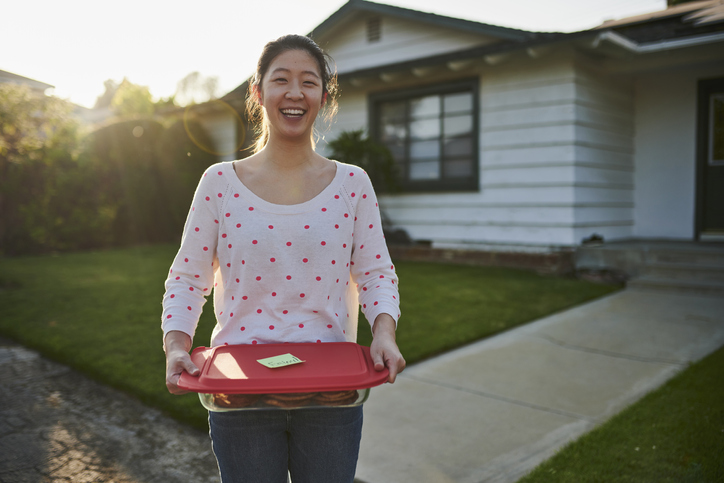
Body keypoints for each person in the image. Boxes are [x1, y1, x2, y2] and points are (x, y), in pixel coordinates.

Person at [161, 34, 405, 483]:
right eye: (281, 80)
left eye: (309, 82)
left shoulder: (353, 184)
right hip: (241, 396)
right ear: (258, 93)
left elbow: (375, 274)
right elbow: (187, 278)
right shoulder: (219, 183)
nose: (295, 93)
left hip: (332, 395)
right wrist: (177, 344)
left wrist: (384, 333)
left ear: (323, 97)